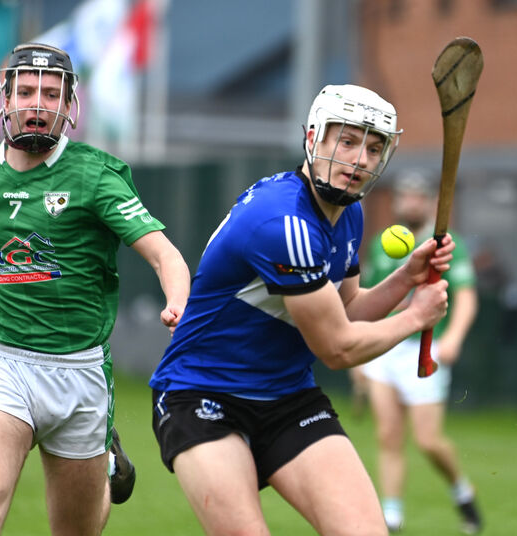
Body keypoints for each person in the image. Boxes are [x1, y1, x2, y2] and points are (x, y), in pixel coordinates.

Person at [149, 84, 455, 535]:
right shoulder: (285, 223)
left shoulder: (347, 214)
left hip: (288, 398)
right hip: (202, 394)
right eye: (347, 142)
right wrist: (415, 317)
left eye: (374, 148)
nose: (360, 160)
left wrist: (406, 280)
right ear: (313, 138)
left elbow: (348, 310)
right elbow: (337, 349)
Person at [0, 43, 190, 535]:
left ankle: (106, 466)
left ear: (69, 106)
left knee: (75, 529)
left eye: (51, 94)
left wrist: (176, 299)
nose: (37, 104)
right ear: (3, 100)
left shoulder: (97, 175)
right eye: (26, 91)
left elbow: (164, 254)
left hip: (79, 372)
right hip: (2, 363)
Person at [357, 170, 481, 534]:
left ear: (429, 202)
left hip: (425, 348)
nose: (411, 201)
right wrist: (359, 356)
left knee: (427, 440)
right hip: (386, 348)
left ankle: (462, 490)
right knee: (388, 436)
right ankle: (392, 516)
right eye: (405, 195)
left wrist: (454, 337)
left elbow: (467, 296)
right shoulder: (384, 243)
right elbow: (367, 301)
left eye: (417, 196)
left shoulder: (445, 242)